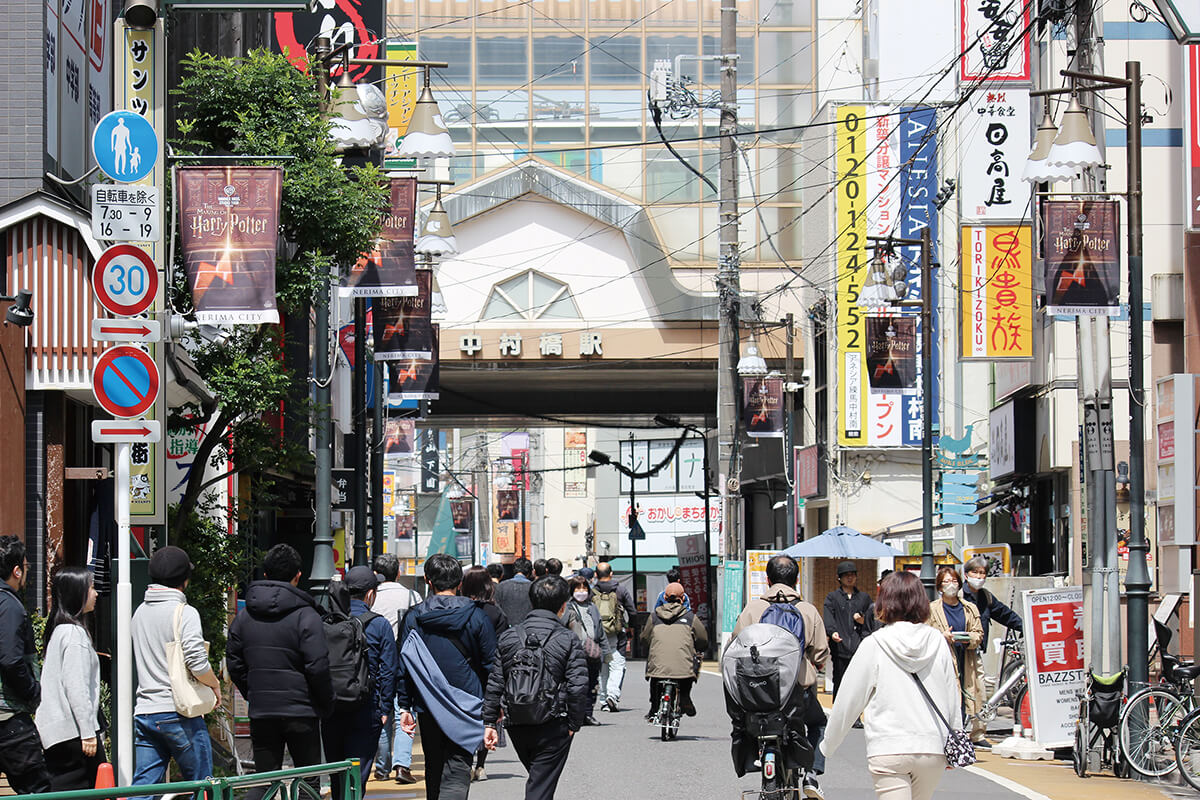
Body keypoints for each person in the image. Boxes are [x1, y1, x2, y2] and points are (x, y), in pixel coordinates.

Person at [822, 571, 960, 800]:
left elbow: (849, 698)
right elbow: (951, 694)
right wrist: (955, 739)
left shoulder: (875, 643)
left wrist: (829, 744)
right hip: (931, 747)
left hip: (889, 747)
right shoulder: (937, 640)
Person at [227, 544, 333, 798]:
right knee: (308, 783)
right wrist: (324, 702)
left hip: (263, 711)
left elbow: (234, 662)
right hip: (302, 711)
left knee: (265, 781)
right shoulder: (306, 615)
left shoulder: (244, 617)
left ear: (265, 575)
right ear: (298, 576)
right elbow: (317, 666)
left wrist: (254, 691)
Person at [396, 553, 498, 800]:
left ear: (428, 581)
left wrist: (405, 705)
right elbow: (491, 666)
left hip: (429, 702)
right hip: (468, 702)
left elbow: (405, 665)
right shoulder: (477, 616)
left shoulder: (414, 617)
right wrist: (492, 712)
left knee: (434, 764)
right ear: (459, 583)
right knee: (458, 766)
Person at [732, 554, 829, 800]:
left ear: (767, 580)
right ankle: (811, 773)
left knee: (749, 723)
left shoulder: (753, 609)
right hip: (797, 691)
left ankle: (756, 756)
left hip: (759, 691)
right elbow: (820, 652)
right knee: (818, 723)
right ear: (796, 580)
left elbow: (735, 646)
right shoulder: (807, 610)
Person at [483, 576, 588, 800]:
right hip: (553, 722)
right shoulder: (568, 639)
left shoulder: (509, 637)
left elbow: (496, 681)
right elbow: (578, 685)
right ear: (563, 607)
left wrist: (490, 721)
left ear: (532, 602)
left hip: (517, 721)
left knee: (538, 778)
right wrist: (574, 724)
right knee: (540, 785)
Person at [131, 546, 220, 794]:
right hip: (178, 713)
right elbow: (197, 661)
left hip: (145, 713)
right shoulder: (185, 613)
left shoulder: (139, 613)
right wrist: (214, 685)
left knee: (143, 789)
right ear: (184, 580)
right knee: (203, 786)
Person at [323, 567, 397, 798]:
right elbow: (389, 669)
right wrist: (385, 707)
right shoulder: (379, 624)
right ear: (370, 594)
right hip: (366, 708)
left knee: (336, 773)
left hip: (332, 708)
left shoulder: (327, 621)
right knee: (358, 776)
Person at [37, 567, 104, 790]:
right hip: (74, 734)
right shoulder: (75, 635)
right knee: (94, 788)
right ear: (78, 593)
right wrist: (88, 733)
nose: (96, 593)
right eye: (91, 587)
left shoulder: (58, 631)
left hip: (56, 734)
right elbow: (76, 687)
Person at [0, 536, 50, 795]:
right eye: (27, 567)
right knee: (37, 789)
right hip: (8, 715)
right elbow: (10, 660)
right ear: (16, 570)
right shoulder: (10, 606)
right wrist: (32, 691)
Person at [371, 553, 422, 784]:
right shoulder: (413, 596)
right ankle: (402, 766)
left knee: (382, 714)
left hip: (378, 662)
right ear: (398, 572)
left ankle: (382, 767)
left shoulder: (371, 597)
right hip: (405, 662)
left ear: (375, 574)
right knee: (405, 710)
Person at [962, 557, 1021, 745]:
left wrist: (1027, 624)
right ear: (966, 574)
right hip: (955, 651)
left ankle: (977, 734)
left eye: (982, 573)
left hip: (975, 651)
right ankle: (954, 733)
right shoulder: (958, 596)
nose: (979, 577)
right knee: (956, 692)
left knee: (979, 691)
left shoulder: (985, 597)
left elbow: (1004, 614)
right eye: (975, 572)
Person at [927, 566, 985, 748]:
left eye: (953, 581)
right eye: (946, 581)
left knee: (966, 697)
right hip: (943, 660)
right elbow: (925, 633)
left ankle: (959, 739)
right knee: (946, 698)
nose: (950, 585)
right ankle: (943, 737)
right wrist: (941, 636)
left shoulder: (970, 608)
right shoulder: (932, 609)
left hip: (965, 658)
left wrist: (969, 639)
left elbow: (978, 632)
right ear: (939, 586)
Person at [462, 565, 509, 782]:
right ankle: (480, 765)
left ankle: (465, 761)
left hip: (462, 673)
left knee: (464, 718)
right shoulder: (495, 612)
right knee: (487, 718)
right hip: (488, 675)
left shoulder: (459, 609)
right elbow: (503, 646)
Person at [641, 582, 707, 719]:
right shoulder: (690, 617)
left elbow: (644, 639)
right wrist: (699, 648)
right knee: (689, 668)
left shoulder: (654, 617)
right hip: (683, 668)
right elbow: (702, 639)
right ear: (683, 599)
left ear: (664, 597)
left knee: (655, 675)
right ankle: (685, 697)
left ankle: (654, 707)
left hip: (658, 667)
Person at [823, 561, 873, 701]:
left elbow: (871, 620)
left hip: (859, 647)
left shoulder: (864, 598)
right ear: (839, 578)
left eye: (852, 575)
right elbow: (828, 617)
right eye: (846, 575)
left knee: (858, 682)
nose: (850, 578)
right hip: (839, 646)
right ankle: (838, 713)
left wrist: (862, 620)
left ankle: (856, 716)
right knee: (839, 678)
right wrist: (832, 632)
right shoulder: (833, 597)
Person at [593, 561, 636, 712]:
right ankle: (613, 695)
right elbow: (632, 611)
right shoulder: (620, 590)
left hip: (597, 635)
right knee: (617, 666)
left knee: (603, 668)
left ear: (596, 575)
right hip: (616, 634)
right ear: (611, 574)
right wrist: (631, 627)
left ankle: (604, 700)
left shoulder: (592, 592)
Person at [563, 575, 605, 725]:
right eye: (578, 588)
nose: (582, 591)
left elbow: (600, 630)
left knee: (592, 684)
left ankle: (588, 713)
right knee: (576, 684)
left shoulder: (592, 607)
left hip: (593, 652)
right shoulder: (567, 607)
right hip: (575, 653)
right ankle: (575, 714)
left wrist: (606, 654)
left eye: (584, 588)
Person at [495, 557, 534, 625]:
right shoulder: (534, 587)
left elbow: (496, 609)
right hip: (528, 627)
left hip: (506, 629)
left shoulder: (501, 586)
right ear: (529, 571)